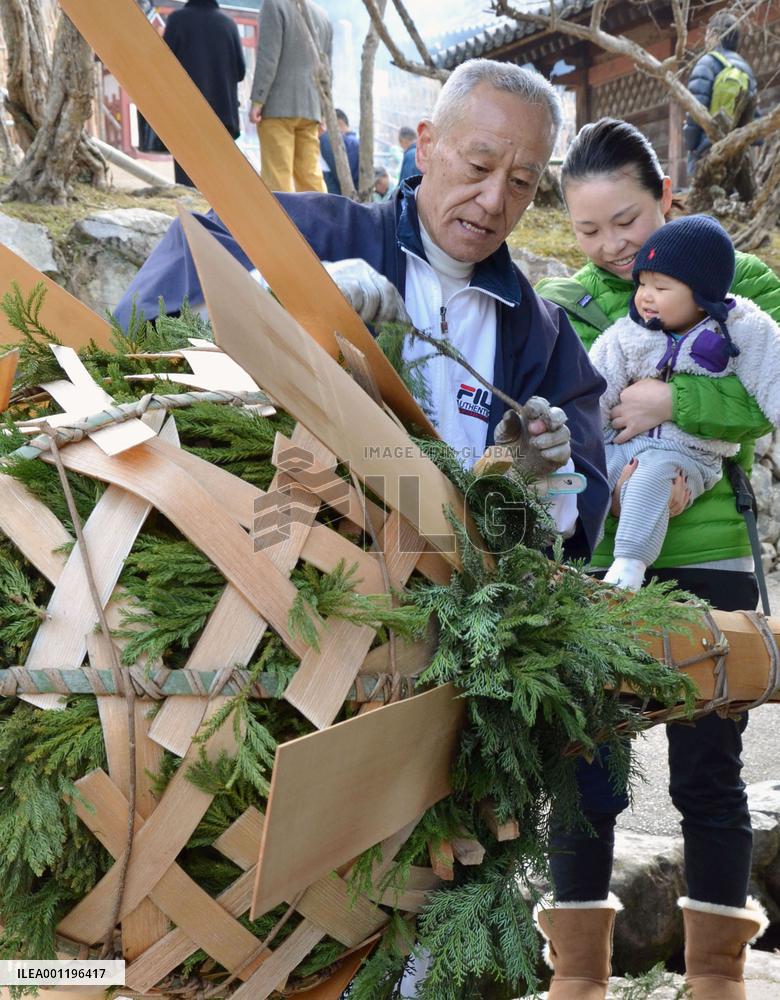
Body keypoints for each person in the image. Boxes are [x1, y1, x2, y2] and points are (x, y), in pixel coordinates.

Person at [115, 58, 611, 564]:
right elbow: (136, 344)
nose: (492, 199)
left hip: (452, 608)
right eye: (479, 166)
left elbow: (575, 521)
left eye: (522, 182)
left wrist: (537, 480)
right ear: (427, 145)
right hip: (276, 561)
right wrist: (277, 294)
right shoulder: (307, 235)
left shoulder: (543, 338)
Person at [536, 117, 779, 999]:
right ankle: (579, 981)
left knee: (709, 773)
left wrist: (668, 395)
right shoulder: (567, 303)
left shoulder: (740, 280)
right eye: (589, 229)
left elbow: (766, 391)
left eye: (628, 224)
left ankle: (718, 977)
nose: (610, 249)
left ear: (666, 199)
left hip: (714, 558)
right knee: (586, 763)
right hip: (598, 564)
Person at [590, 214, 780, 591]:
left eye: (660, 286)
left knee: (652, 476)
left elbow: (771, 374)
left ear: (702, 291)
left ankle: (628, 568)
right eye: (642, 283)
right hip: (623, 445)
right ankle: (559, 562)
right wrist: (580, 433)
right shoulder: (630, 332)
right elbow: (598, 381)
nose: (644, 296)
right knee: (584, 481)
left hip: (686, 453)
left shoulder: (741, 328)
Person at [248, 0, 331, 192]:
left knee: (278, 176)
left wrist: (258, 100)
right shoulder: (322, 15)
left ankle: (278, 222)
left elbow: (268, 57)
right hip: (311, 108)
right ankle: (321, 220)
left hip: (278, 105)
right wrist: (324, 112)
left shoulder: (274, 5)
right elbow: (327, 70)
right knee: (311, 176)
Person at [162, 0, 246, 188]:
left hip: (186, 112)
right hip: (222, 114)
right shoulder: (228, 24)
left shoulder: (177, 20)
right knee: (219, 176)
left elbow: (163, 64)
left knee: (188, 178)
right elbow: (240, 71)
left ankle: (192, 211)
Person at [683, 10, 758, 185]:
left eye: (708, 33)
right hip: (738, 151)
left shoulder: (707, 63)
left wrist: (691, 144)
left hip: (708, 150)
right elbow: (755, 117)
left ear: (716, 35)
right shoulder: (747, 70)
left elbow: (696, 109)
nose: (706, 38)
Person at [319, 109, 359, 195]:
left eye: (325, 125)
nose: (323, 129)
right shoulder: (355, 142)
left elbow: (344, 173)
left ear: (339, 123)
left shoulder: (347, 142)